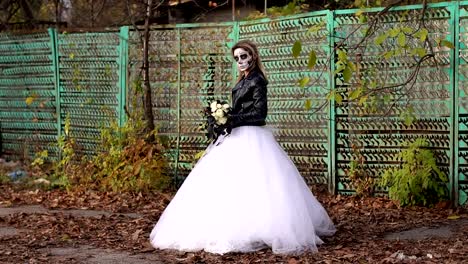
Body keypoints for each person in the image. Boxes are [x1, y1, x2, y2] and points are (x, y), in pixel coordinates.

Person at [149, 40, 336, 255]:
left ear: (253, 56)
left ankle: (261, 227)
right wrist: (222, 117)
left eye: (244, 56)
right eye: (237, 58)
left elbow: (260, 114)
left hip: (251, 136)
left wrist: (231, 118)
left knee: (258, 183)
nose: (240, 61)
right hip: (236, 134)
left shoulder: (258, 81)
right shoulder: (243, 79)